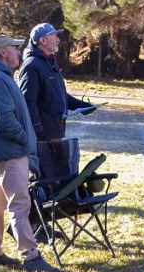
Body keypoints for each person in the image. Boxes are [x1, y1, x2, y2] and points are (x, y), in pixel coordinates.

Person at [0, 35, 59, 272]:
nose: (19, 52)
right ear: (2, 52)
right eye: (15, 48)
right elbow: (2, 120)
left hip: (4, 152)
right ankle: (31, 258)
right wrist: (26, 140)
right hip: (10, 153)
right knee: (20, 204)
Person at [19, 23, 94, 172]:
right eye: (54, 36)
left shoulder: (49, 62)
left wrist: (82, 106)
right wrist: (38, 129)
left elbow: (59, 94)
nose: (58, 40)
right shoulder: (32, 65)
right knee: (46, 174)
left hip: (56, 129)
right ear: (43, 40)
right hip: (43, 134)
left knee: (57, 173)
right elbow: (27, 101)